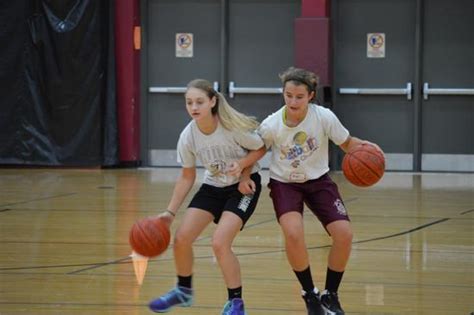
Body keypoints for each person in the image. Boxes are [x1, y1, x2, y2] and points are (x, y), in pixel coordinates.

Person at [228, 67, 383, 315]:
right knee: (293, 233)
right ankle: (310, 294)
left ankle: (331, 295)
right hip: (285, 184)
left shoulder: (323, 117)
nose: (292, 101)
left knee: (344, 234)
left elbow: (346, 142)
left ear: (310, 96)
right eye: (288, 95)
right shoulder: (272, 124)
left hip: (319, 181)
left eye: (299, 96)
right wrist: (244, 173)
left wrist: (368, 148)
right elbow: (256, 151)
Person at [148, 79, 264, 315]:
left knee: (220, 243)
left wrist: (243, 171)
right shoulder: (188, 136)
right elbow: (187, 177)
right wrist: (170, 213)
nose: (194, 107)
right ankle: (183, 291)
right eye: (189, 102)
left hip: (243, 187)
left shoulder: (231, 127)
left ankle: (236, 303)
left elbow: (260, 148)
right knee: (181, 238)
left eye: (199, 101)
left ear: (212, 102)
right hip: (213, 186)